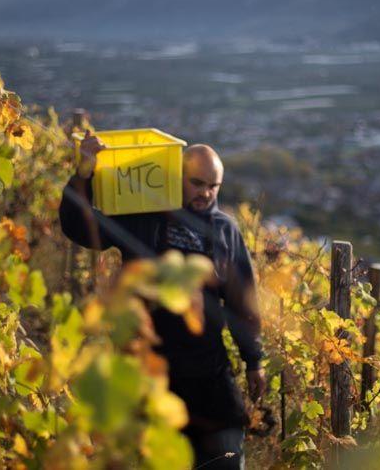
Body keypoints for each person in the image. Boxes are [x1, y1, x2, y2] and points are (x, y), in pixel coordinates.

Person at [59, 131, 266, 469]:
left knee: (225, 459)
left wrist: (254, 359)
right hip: (149, 370)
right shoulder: (144, 215)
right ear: (178, 177)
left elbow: (242, 300)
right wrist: (83, 175)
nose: (206, 193)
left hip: (208, 374)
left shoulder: (226, 230)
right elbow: (79, 227)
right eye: (197, 183)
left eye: (213, 187)